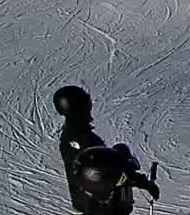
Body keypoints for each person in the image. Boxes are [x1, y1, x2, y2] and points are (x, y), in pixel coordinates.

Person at [53, 86, 158, 214]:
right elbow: (108, 171)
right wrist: (141, 181)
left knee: (120, 150)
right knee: (121, 150)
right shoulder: (84, 139)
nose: (89, 106)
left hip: (85, 197)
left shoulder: (70, 134)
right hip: (102, 204)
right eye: (85, 103)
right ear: (78, 108)